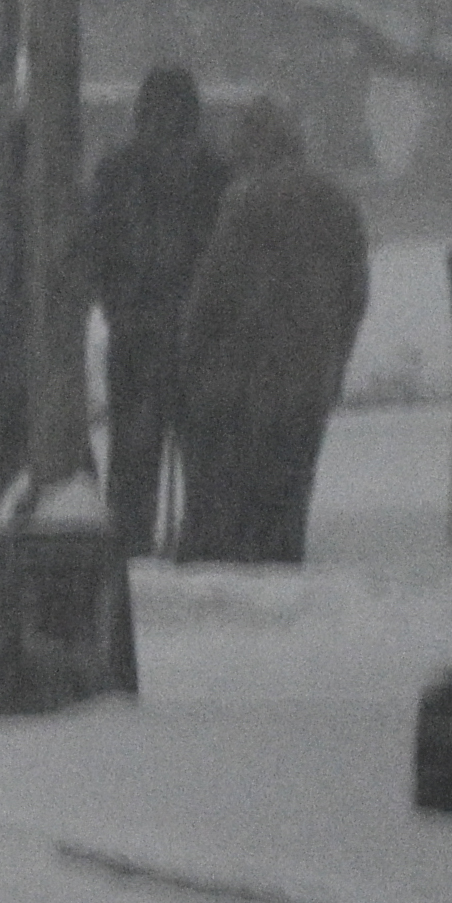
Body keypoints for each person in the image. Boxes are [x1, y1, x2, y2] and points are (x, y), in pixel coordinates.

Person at [175, 94, 369, 565]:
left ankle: (247, 573)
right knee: (291, 482)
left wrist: (190, 356)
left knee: (245, 486)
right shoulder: (338, 203)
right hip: (311, 372)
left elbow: (213, 292)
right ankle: (283, 562)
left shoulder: (246, 203)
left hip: (249, 374)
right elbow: (355, 293)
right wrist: (335, 354)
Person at [84, 66, 226, 554]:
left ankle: (132, 547)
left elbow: (98, 252)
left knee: (134, 459)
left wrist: (121, 308)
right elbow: (220, 258)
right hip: (192, 338)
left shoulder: (118, 172)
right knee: (201, 463)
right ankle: (200, 546)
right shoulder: (214, 175)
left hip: (139, 338)